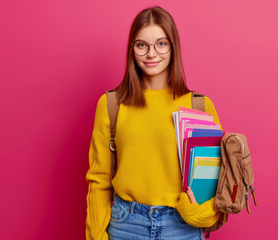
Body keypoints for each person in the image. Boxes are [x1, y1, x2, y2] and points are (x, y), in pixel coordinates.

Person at [86, 6, 223, 240]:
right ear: (132, 50)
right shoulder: (111, 104)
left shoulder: (198, 106)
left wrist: (198, 214)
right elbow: (99, 180)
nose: (151, 54)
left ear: (173, 48)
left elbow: (211, 183)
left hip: (181, 227)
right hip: (125, 225)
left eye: (161, 44)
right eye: (142, 45)